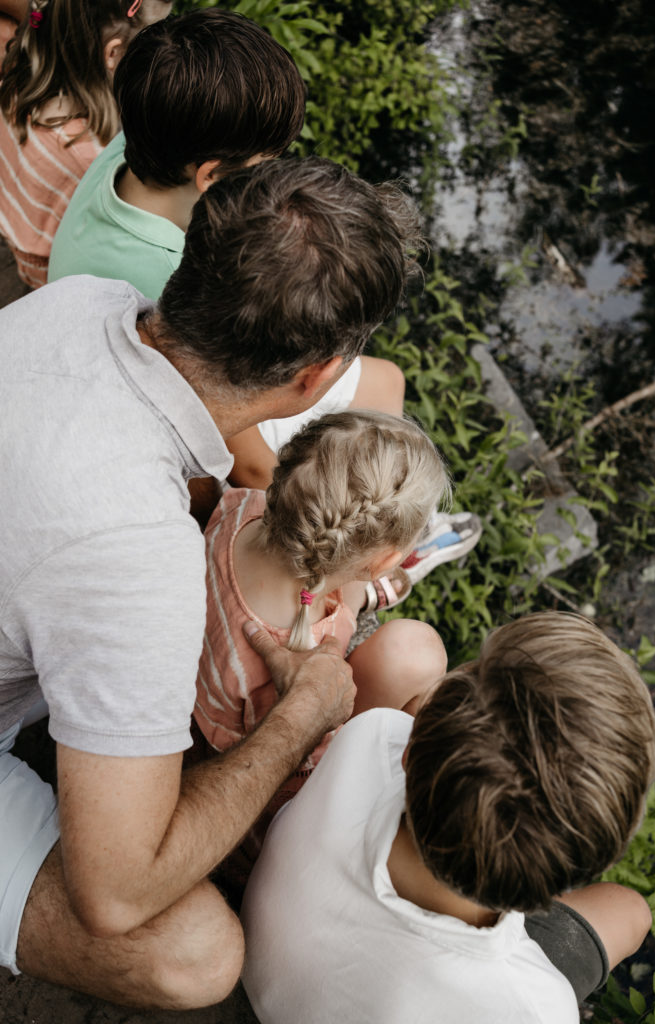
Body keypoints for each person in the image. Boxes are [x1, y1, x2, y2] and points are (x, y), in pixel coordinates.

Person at [0, 156, 420, 1008]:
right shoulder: (140, 561)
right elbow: (116, 895)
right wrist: (302, 711)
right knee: (194, 953)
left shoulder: (85, 301)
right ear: (314, 379)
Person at [241, 611, 655, 1024]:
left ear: (410, 752)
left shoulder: (372, 737)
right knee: (629, 913)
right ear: (540, 895)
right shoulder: (539, 1010)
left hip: (268, 964)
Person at [47, 9, 408, 490]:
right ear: (211, 175)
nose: (276, 170)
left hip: (104, 349)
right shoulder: (161, 277)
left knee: (383, 382)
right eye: (269, 161)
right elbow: (247, 461)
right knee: (384, 386)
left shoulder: (144, 138)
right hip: (148, 403)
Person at [195, 410, 451, 876]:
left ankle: (360, 594)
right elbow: (292, 763)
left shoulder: (243, 506)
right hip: (278, 783)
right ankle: (361, 596)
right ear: (385, 561)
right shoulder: (300, 653)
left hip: (225, 638)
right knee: (419, 654)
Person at [0, 0, 171, 288]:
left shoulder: (16, 80)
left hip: (18, 227)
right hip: (49, 269)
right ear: (113, 53)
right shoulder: (91, 152)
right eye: (152, 39)